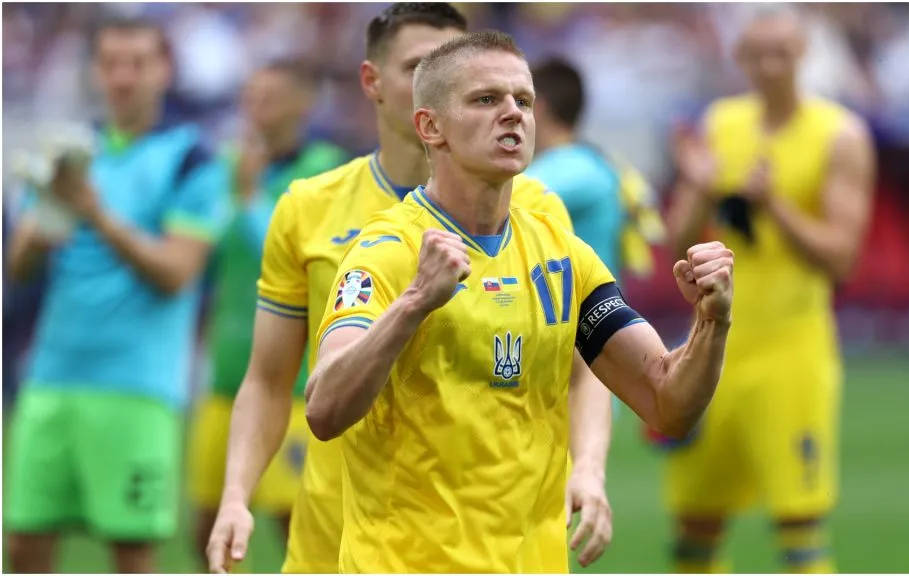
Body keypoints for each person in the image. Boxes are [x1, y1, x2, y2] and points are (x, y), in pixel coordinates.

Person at [305, 30, 734, 573]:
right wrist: (413, 303)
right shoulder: (387, 251)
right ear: (430, 127)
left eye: (524, 100)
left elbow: (667, 401)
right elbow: (324, 409)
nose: (512, 113)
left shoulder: (561, 254)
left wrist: (711, 323)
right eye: (486, 99)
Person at [205, 4, 613, 574]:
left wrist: (588, 466)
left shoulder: (536, 210)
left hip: (491, 547)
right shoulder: (309, 208)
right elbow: (270, 380)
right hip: (339, 543)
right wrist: (235, 497)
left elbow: (582, 364)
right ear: (372, 81)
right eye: (419, 65)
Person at [4, 17, 231, 574]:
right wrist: (47, 214)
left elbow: (177, 273)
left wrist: (96, 214)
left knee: (131, 554)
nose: (123, 77)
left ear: (164, 70)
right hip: (52, 377)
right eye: (111, 64)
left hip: (137, 386)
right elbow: (19, 268)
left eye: (137, 64)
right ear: (94, 72)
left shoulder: (191, 159)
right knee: (23, 546)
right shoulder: (72, 152)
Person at [662, 6, 875, 574]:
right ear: (740, 59)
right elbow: (678, 239)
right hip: (714, 348)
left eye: (781, 54)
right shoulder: (721, 124)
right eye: (757, 55)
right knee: (695, 523)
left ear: (803, 54)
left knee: (798, 523)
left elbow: (843, 257)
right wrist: (703, 190)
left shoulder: (839, 135)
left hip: (792, 350)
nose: (769, 67)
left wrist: (776, 204)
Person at [187, 59, 347, 566]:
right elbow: (205, 251)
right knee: (207, 526)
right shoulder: (229, 166)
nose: (257, 109)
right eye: (251, 98)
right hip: (227, 376)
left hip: (292, 384)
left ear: (304, 103)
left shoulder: (327, 170)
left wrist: (250, 198)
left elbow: (285, 252)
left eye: (271, 98)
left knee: (296, 527)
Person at [528, 57, 665, 282]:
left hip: (583, 303)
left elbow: (498, 203)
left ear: (538, 107)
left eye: (520, 101)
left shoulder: (573, 169)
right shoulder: (592, 161)